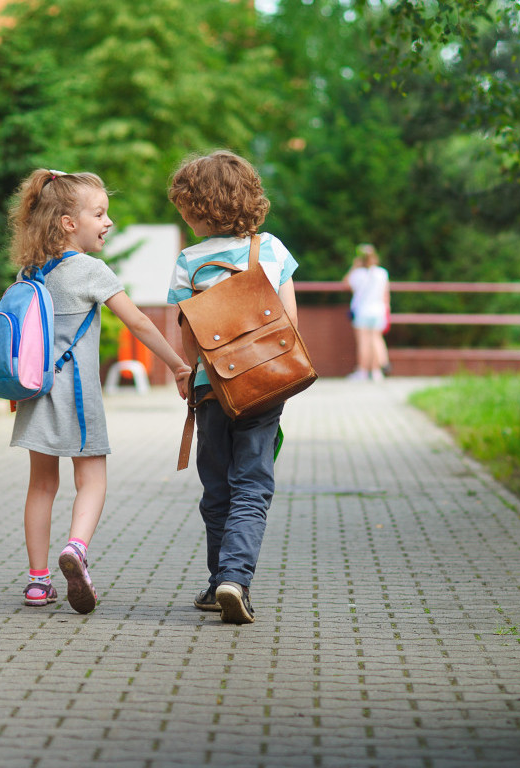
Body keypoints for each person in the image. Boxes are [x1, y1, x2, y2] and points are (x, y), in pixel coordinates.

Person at [8, 169, 191, 614]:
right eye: (99, 213)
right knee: (92, 479)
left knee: (41, 486)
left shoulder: (29, 272)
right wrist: (178, 365)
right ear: (69, 223)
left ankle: (37, 583)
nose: (108, 222)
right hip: (77, 396)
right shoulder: (90, 269)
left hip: (34, 394)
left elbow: (19, 336)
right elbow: (140, 322)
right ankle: (76, 548)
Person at [165, 150, 299, 625]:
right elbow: (290, 322)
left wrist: (187, 373)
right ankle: (234, 580)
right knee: (252, 484)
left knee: (217, 485)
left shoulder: (187, 262)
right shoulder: (272, 251)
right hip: (264, 383)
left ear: (199, 209)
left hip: (211, 390)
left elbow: (187, 332)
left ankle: (218, 578)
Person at [343, 244, 391, 381]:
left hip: (362, 310)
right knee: (376, 339)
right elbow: (386, 294)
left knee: (363, 341)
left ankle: (363, 371)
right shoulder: (382, 273)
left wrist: (354, 266)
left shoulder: (357, 274)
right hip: (378, 310)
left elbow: (345, 283)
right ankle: (376, 372)